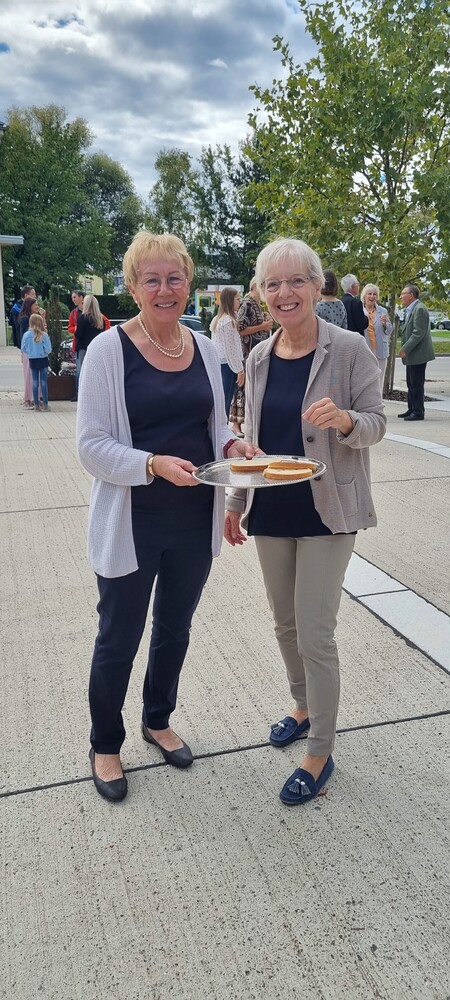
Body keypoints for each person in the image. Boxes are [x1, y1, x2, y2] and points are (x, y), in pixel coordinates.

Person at [76, 231, 257, 802]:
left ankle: (157, 719)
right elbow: (91, 446)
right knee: (119, 637)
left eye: (174, 278)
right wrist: (151, 464)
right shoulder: (108, 351)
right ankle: (105, 743)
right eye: (150, 279)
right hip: (132, 521)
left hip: (193, 518)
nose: (164, 289)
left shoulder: (202, 347)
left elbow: (214, 424)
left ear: (189, 283)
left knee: (174, 629)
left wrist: (231, 445)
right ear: (132, 287)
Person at [224, 237, 385, 806]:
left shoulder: (348, 350)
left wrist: (345, 421)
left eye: (296, 281)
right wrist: (236, 502)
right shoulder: (259, 357)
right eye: (273, 284)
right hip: (272, 506)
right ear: (261, 293)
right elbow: (252, 439)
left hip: (328, 511)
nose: (284, 293)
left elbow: (376, 422)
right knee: (285, 625)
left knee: (315, 633)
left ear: (317, 286)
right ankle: (302, 705)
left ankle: (319, 750)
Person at [229, 278, 273, 435]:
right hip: (247, 352)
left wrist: (266, 322)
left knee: (251, 388)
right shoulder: (247, 303)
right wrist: (262, 326)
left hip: (257, 352)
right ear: (255, 286)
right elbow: (239, 329)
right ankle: (236, 424)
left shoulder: (257, 304)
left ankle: (246, 422)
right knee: (241, 388)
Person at [398, 284, 435, 421]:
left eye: (403, 293)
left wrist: (405, 348)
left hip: (418, 354)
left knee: (416, 384)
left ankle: (418, 412)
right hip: (413, 354)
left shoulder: (419, 309)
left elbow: (418, 333)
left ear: (411, 295)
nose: (401, 296)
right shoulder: (413, 309)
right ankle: (412, 409)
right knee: (411, 382)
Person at [210, 287, 245, 418]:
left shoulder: (217, 319)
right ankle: (222, 427)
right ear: (230, 300)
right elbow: (231, 349)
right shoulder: (228, 321)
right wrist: (240, 370)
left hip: (219, 364)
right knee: (226, 399)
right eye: (237, 299)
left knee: (221, 399)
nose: (239, 302)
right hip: (228, 366)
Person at [361, 283, 393, 385]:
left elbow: (389, 330)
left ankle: (378, 396)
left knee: (379, 380)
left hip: (379, 350)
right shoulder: (360, 310)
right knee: (365, 380)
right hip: (365, 349)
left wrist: (385, 324)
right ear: (364, 296)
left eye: (374, 294)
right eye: (369, 294)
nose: (372, 296)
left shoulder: (382, 311)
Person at [20, 314, 52, 411]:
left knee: (34, 382)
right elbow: (48, 349)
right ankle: (45, 404)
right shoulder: (44, 335)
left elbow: (23, 348)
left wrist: (30, 352)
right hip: (43, 359)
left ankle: (36, 405)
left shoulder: (26, 335)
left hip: (32, 359)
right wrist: (44, 352)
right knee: (43, 382)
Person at [75, 294, 105, 388]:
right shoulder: (101, 320)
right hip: (96, 350)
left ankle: (82, 391)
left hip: (83, 348)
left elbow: (79, 335)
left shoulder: (83, 318)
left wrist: (76, 329)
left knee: (82, 372)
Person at [18, 297, 41, 407]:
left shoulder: (35, 317)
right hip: (29, 351)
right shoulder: (25, 319)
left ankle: (33, 397)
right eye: (35, 304)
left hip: (35, 350)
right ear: (29, 306)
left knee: (34, 375)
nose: (37, 306)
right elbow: (23, 337)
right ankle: (30, 397)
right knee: (29, 374)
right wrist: (23, 352)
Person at [9, 284, 35, 349]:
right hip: (24, 340)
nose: (35, 296)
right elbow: (18, 326)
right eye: (33, 294)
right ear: (26, 295)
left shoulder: (31, 306)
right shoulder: (17, 308)